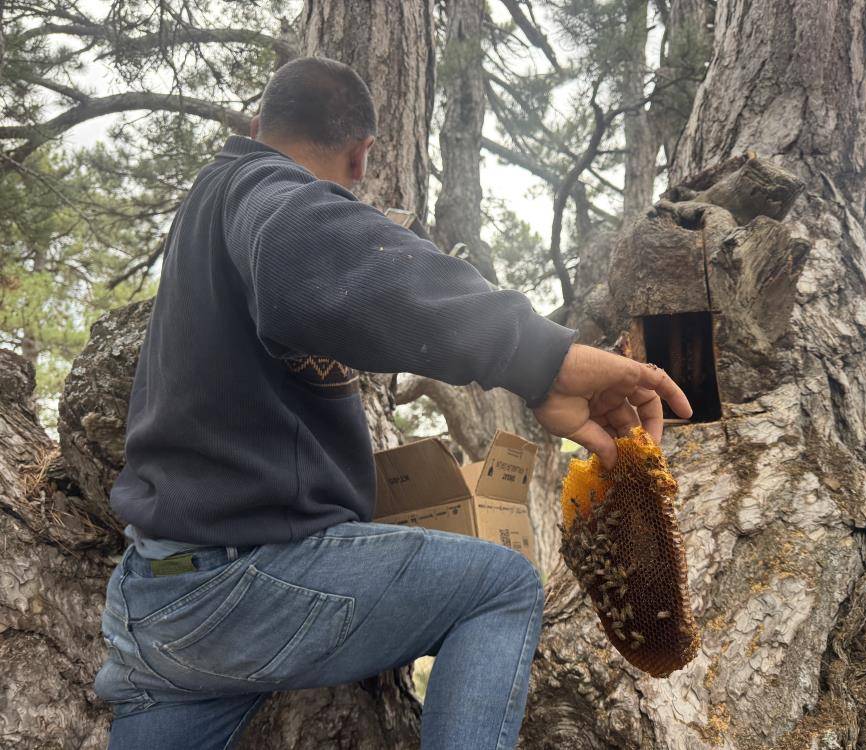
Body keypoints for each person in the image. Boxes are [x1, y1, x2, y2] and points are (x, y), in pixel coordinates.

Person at [94, 56, 692, 750]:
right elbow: (303, 253)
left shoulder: (212, 206)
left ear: (261, 124)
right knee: (500, 585)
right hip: (240, 582)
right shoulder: (265, 190)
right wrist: (542, 359)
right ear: (360, 155)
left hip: (153, 600)